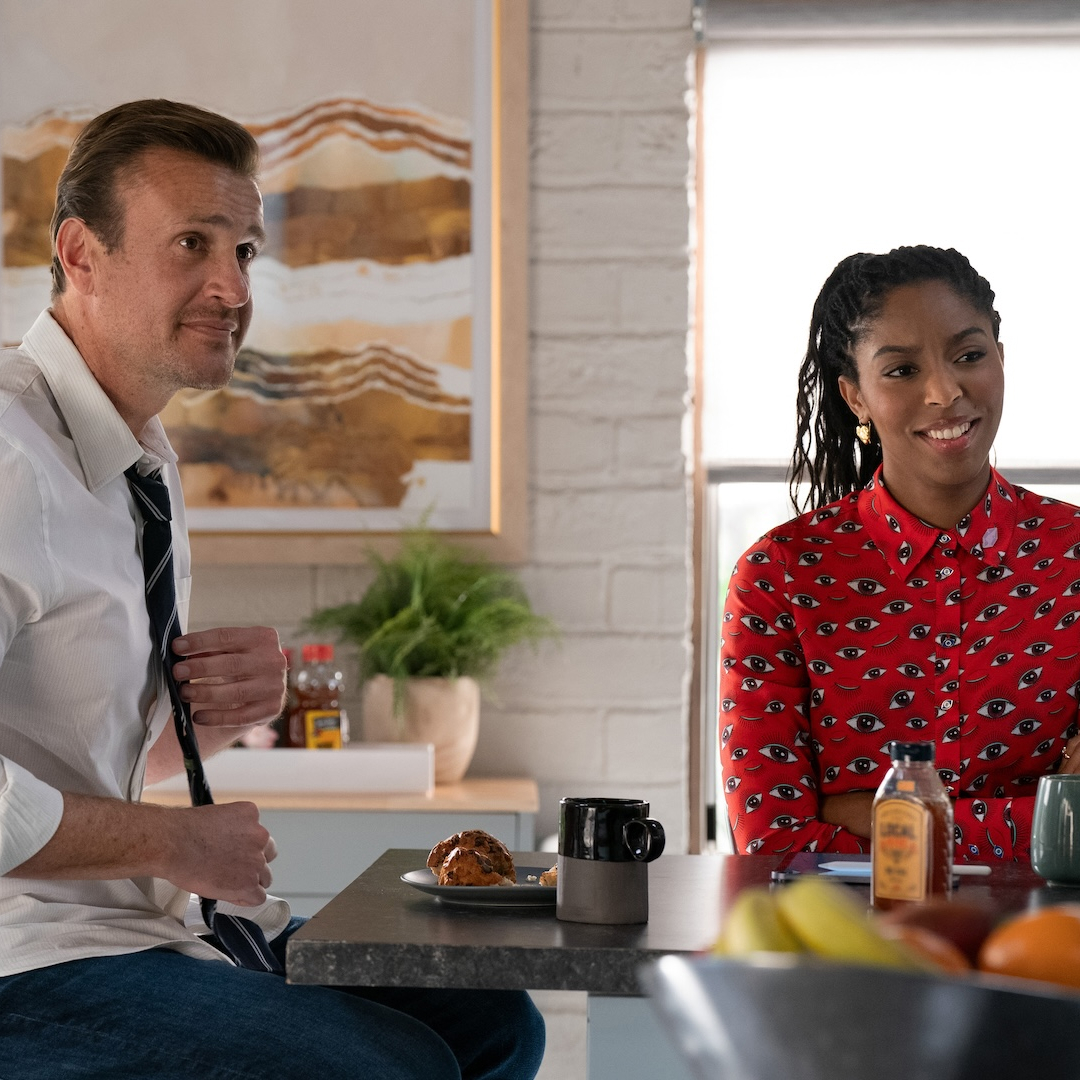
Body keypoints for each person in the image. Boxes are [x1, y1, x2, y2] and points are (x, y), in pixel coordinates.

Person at [0, 99, 544, 1079]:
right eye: (192, 244)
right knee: (378, 1066)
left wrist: (203, 725)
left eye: (245, 250)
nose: (230, 284)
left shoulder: (141, 466)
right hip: (26, 952)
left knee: (493, 1019)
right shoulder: (7, 455)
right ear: (81, 255)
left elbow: (80, 760)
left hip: (143, 926)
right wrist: (176, 845)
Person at [720, 245, 1080, 863]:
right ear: (855, 395)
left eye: (970, 356)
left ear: (1001, 360)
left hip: (1046, 952)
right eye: (902, 371)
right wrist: (1041, 817)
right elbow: (774, 843)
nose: (945, 392)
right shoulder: (779, 576)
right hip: (850, 950)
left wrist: (869, 813)